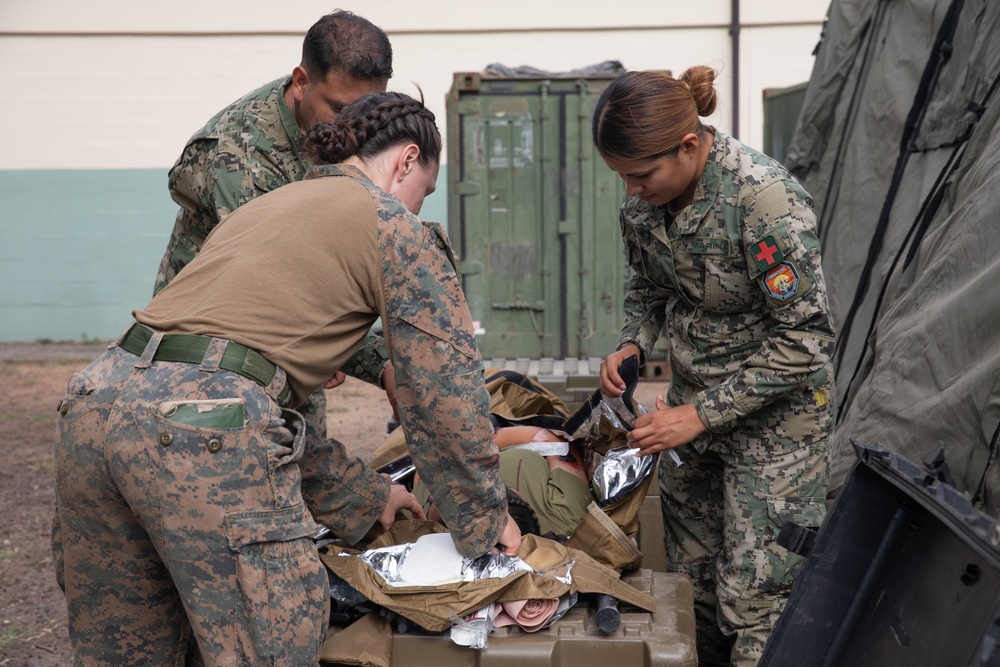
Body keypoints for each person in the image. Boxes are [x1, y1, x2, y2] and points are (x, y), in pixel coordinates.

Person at [53, 91, 521, 666]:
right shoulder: (391, 225)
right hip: (200, 426)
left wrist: (363, 495)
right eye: (423, 191)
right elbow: (442, 394)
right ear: (405, 160)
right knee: (270, 647)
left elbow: (230, 396)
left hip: (95, 403)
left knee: (127, 653)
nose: (418, 208)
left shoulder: (270, 207)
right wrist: (482, 514)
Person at [592, 67, 835, 667]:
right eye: (621, 177)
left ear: (690, 146)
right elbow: (648, 285)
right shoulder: (646, 207)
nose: (631, 191)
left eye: (642, 175)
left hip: (776, 430)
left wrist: (701, 415)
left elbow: (806, 339)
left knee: (759, 602)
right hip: (692, 419)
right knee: (691, 589)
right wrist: (631, 343)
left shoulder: (764, 201)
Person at [154, 9, 398, 437]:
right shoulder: (243, 154)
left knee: (303, 450)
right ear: (301, 81)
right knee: (236, 455)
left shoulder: (345, 125)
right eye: (339, 107)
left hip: (284, 326)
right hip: (206, 342)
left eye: (364, 108)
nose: (352, 125)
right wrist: (379, 365)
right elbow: (270, 285)